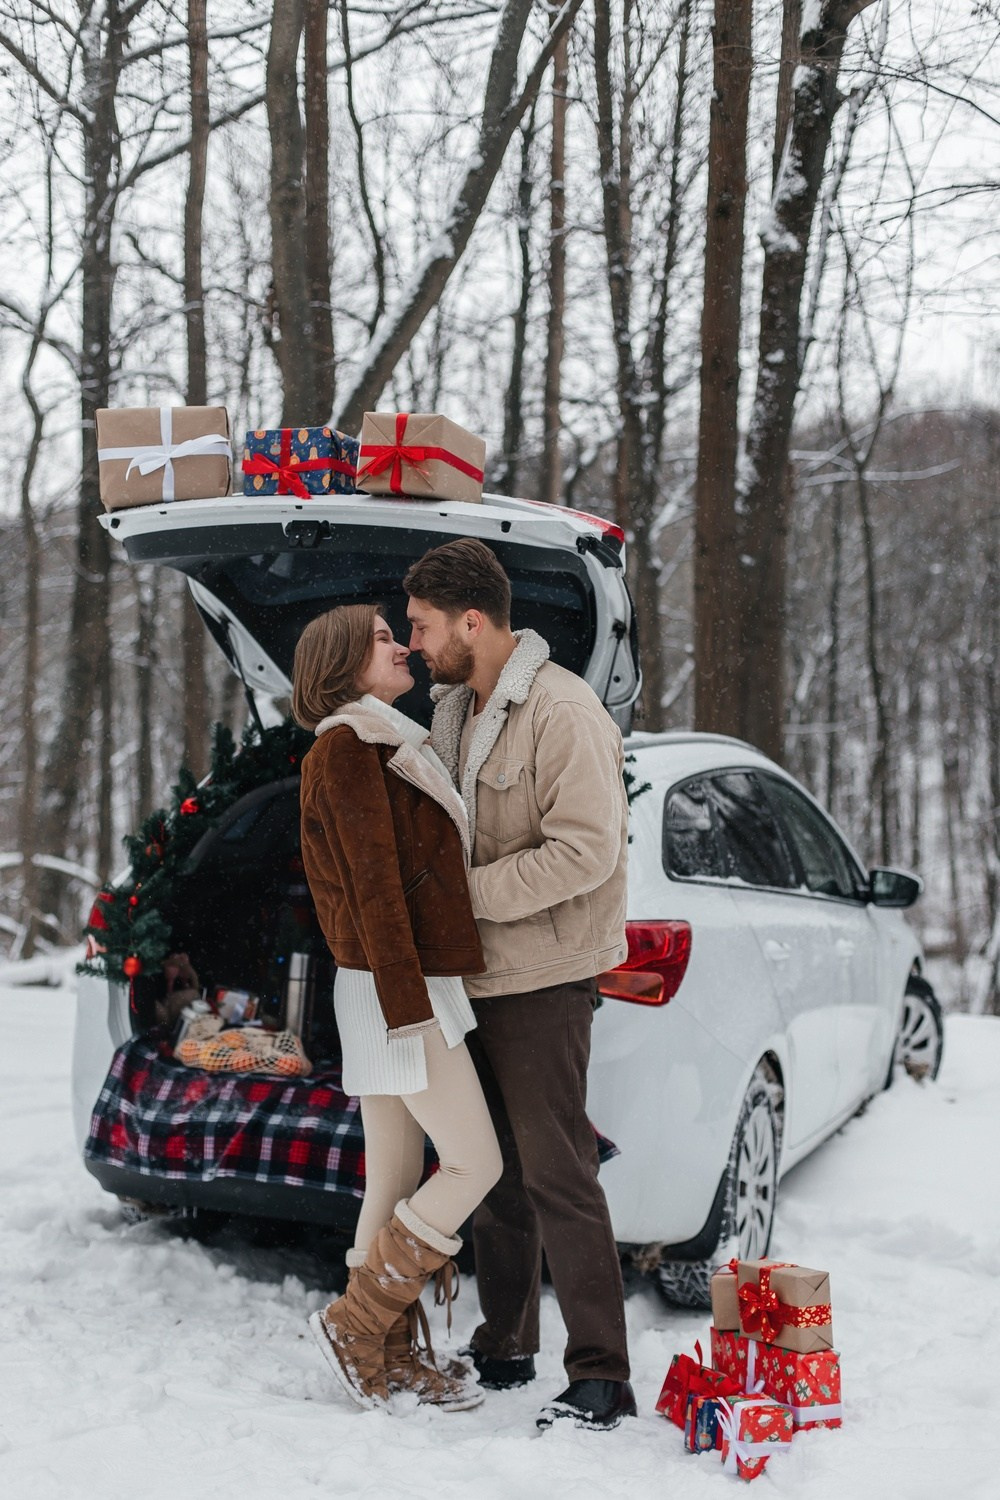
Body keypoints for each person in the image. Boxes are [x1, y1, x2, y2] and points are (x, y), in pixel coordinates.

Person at [403, 538, 636, 1431]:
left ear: (473, 620)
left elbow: (585, 852)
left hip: (543, 980)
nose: (415, 642)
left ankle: (601, 1378)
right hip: (478, 980)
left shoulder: (563, 712)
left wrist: (461, 904)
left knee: (558, 1174)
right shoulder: (458, 709)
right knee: (493, 1172)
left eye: (424, 626)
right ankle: (505, 1344)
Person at [292, 603, 503, 1413]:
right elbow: (374, 886)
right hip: (395, 986)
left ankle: (382, 1350)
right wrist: (408, 1006)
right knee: (474, 1163)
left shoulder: (376, 740)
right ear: (346, 664)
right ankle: (359, 1320)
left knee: (397, 1175)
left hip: (387, 981)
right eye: (383, 639)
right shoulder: (348, 748)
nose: (401, 646)